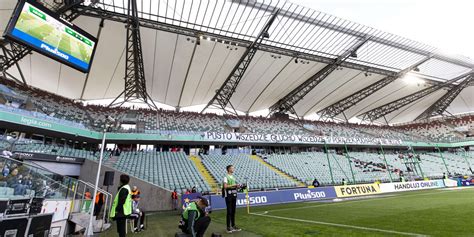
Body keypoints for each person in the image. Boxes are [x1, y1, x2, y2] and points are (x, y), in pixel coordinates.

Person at [223, 165, 241, 233]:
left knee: (233, 211)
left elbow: (234, 186)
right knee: (229, 212)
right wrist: (234, 185)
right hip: (228, 195)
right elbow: (225, 186)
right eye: (232, 168)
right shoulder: (225, 177)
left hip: (234, 194)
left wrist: (237, 186)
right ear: (229, 169)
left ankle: (233, 225)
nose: (233, 169)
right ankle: (228, 227)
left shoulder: (233, 177)